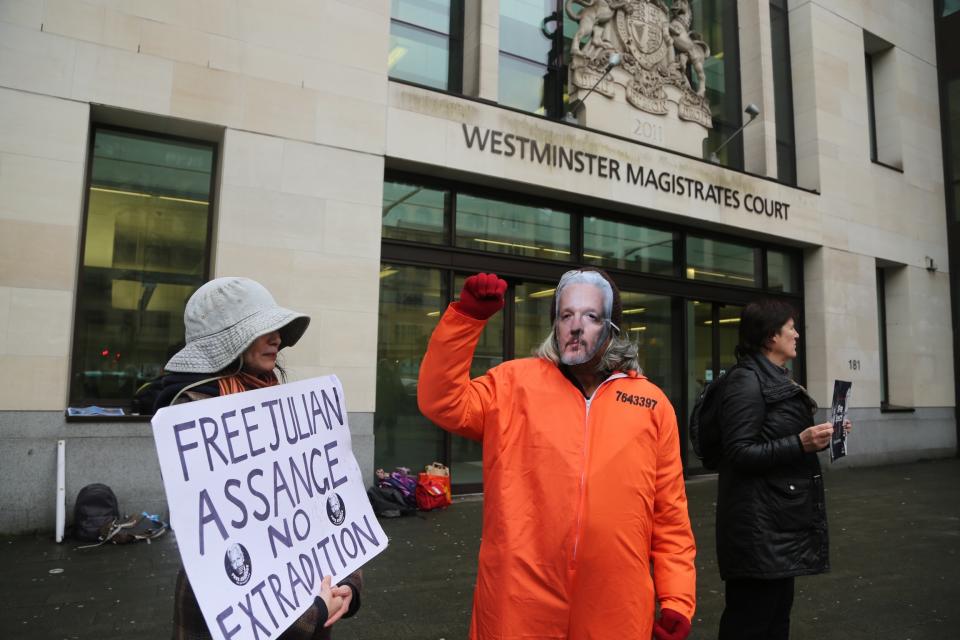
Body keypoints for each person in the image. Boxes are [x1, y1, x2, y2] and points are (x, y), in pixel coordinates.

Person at [417, 269, 696, 640]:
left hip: (615, 606)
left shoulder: (651, 404)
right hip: (519, 601)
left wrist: (677, 598)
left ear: (612, 327)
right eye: (566, 315)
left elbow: (670, 516)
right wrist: (467, 319)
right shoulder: (513, 384)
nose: (576, 326)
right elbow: (442, 402)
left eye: (590, 316)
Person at [153, 276, 362, 640]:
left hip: (312, 598)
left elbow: (322, 501)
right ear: (224, 342)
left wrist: (347, 582)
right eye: (262, 330)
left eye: (277, 328)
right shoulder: (195, 416)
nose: (277, 338)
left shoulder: (288, 404)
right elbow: (228, 545)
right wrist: (310, 613)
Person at [715, 299, 852, 640]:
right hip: (757, 530)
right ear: (770, 336)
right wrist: (800, 443)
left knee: (775, 622)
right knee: (751, 624)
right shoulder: (746, 381)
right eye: (791, 327)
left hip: (777, 525)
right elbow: (738, 452)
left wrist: (823, 435)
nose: (797, 334)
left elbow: (776, 436)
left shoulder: (774, 377)